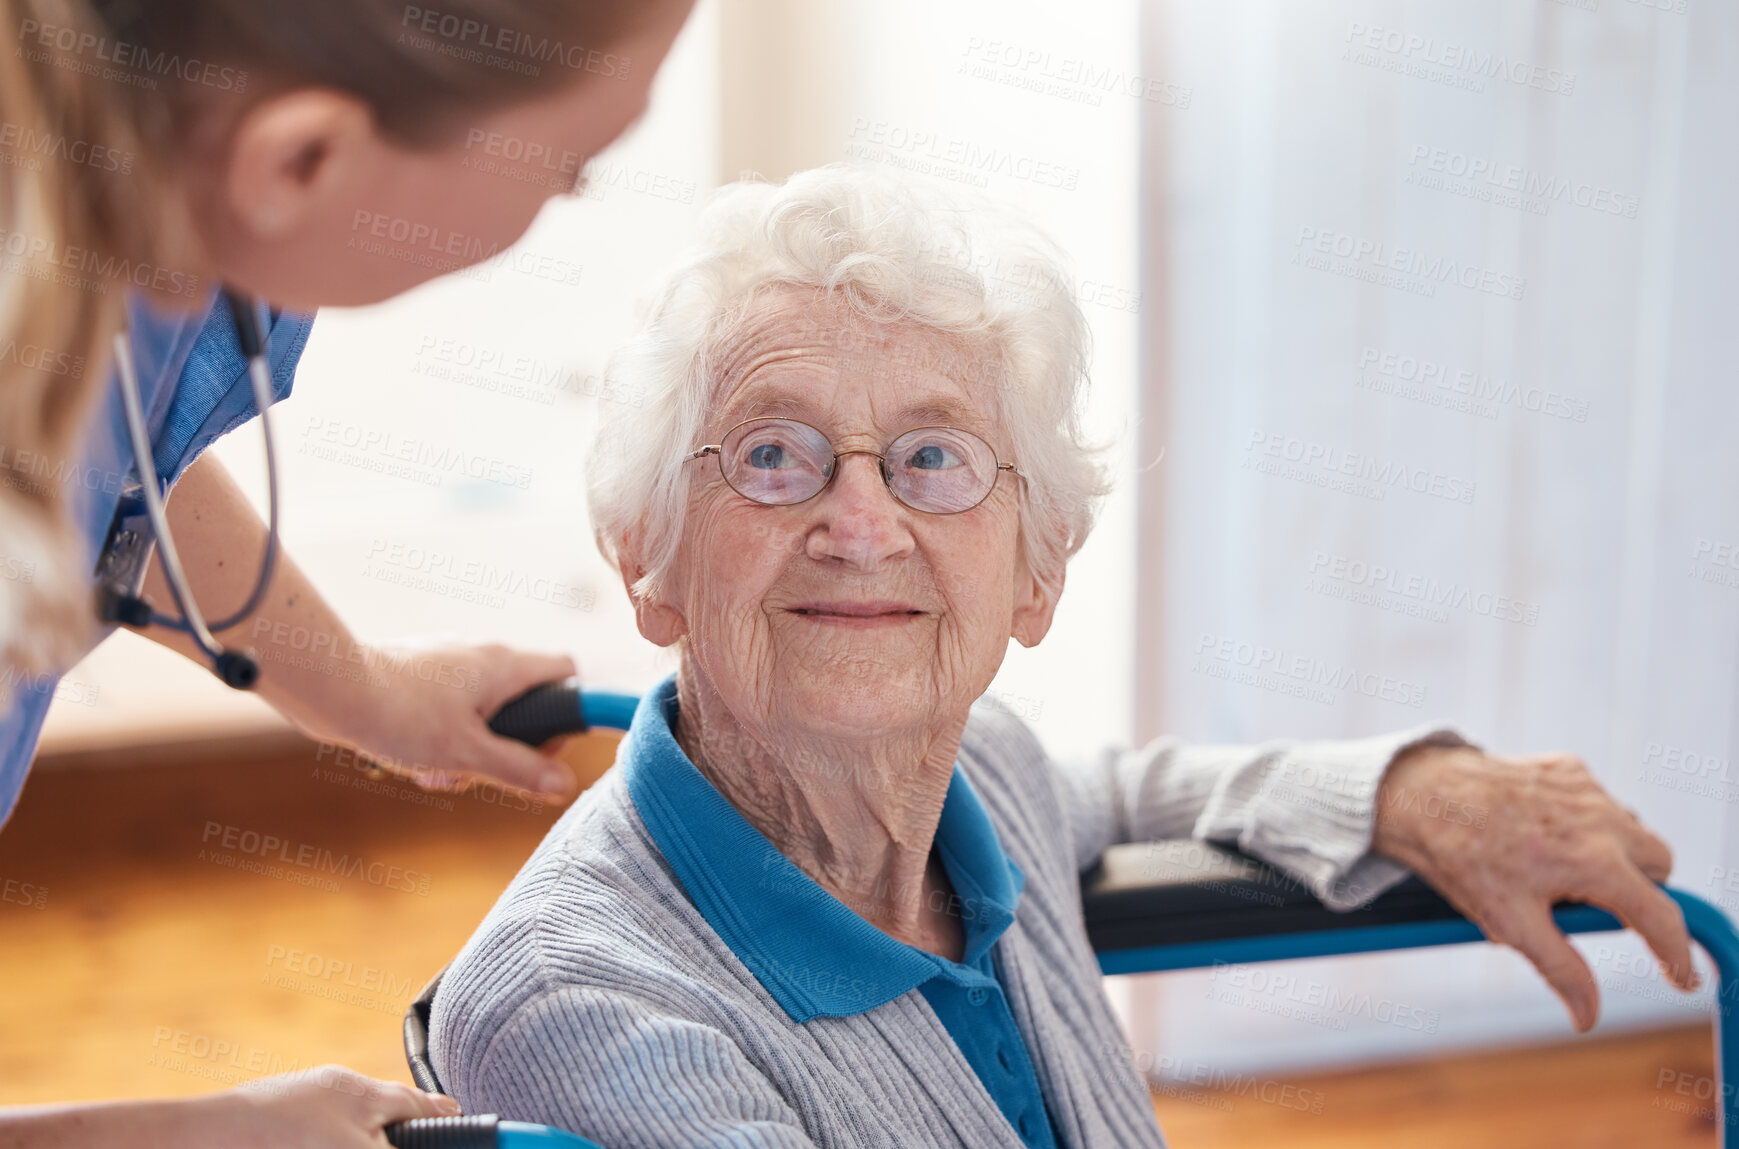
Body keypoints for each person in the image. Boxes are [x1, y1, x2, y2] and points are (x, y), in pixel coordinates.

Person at [429, 166, 1699, 1148]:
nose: (860, 523)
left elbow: (1126, 791)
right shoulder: (580, 1010)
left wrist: (1413, 791)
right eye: (772, 454)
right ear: (643, 555)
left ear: (1035, 573)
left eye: (934, 458)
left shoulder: (979, 781)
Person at [0, 0, 696, 1144]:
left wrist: (364, 690)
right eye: (567, 172)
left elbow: (111, 475)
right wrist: (195, 1131)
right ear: (303, 157)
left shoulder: (118, 210)